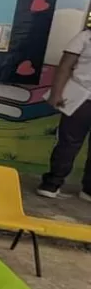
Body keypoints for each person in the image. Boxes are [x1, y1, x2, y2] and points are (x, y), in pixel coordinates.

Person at [38, 25, 91, 201]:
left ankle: (85, 189)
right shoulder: (84, 37)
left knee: (68, 142)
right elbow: (65, 66)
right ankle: (52, 183)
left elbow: (65, 65)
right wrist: (56, 93)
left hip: (81, 99)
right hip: (80, 98)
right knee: (68, 143)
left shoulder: (85, 36)